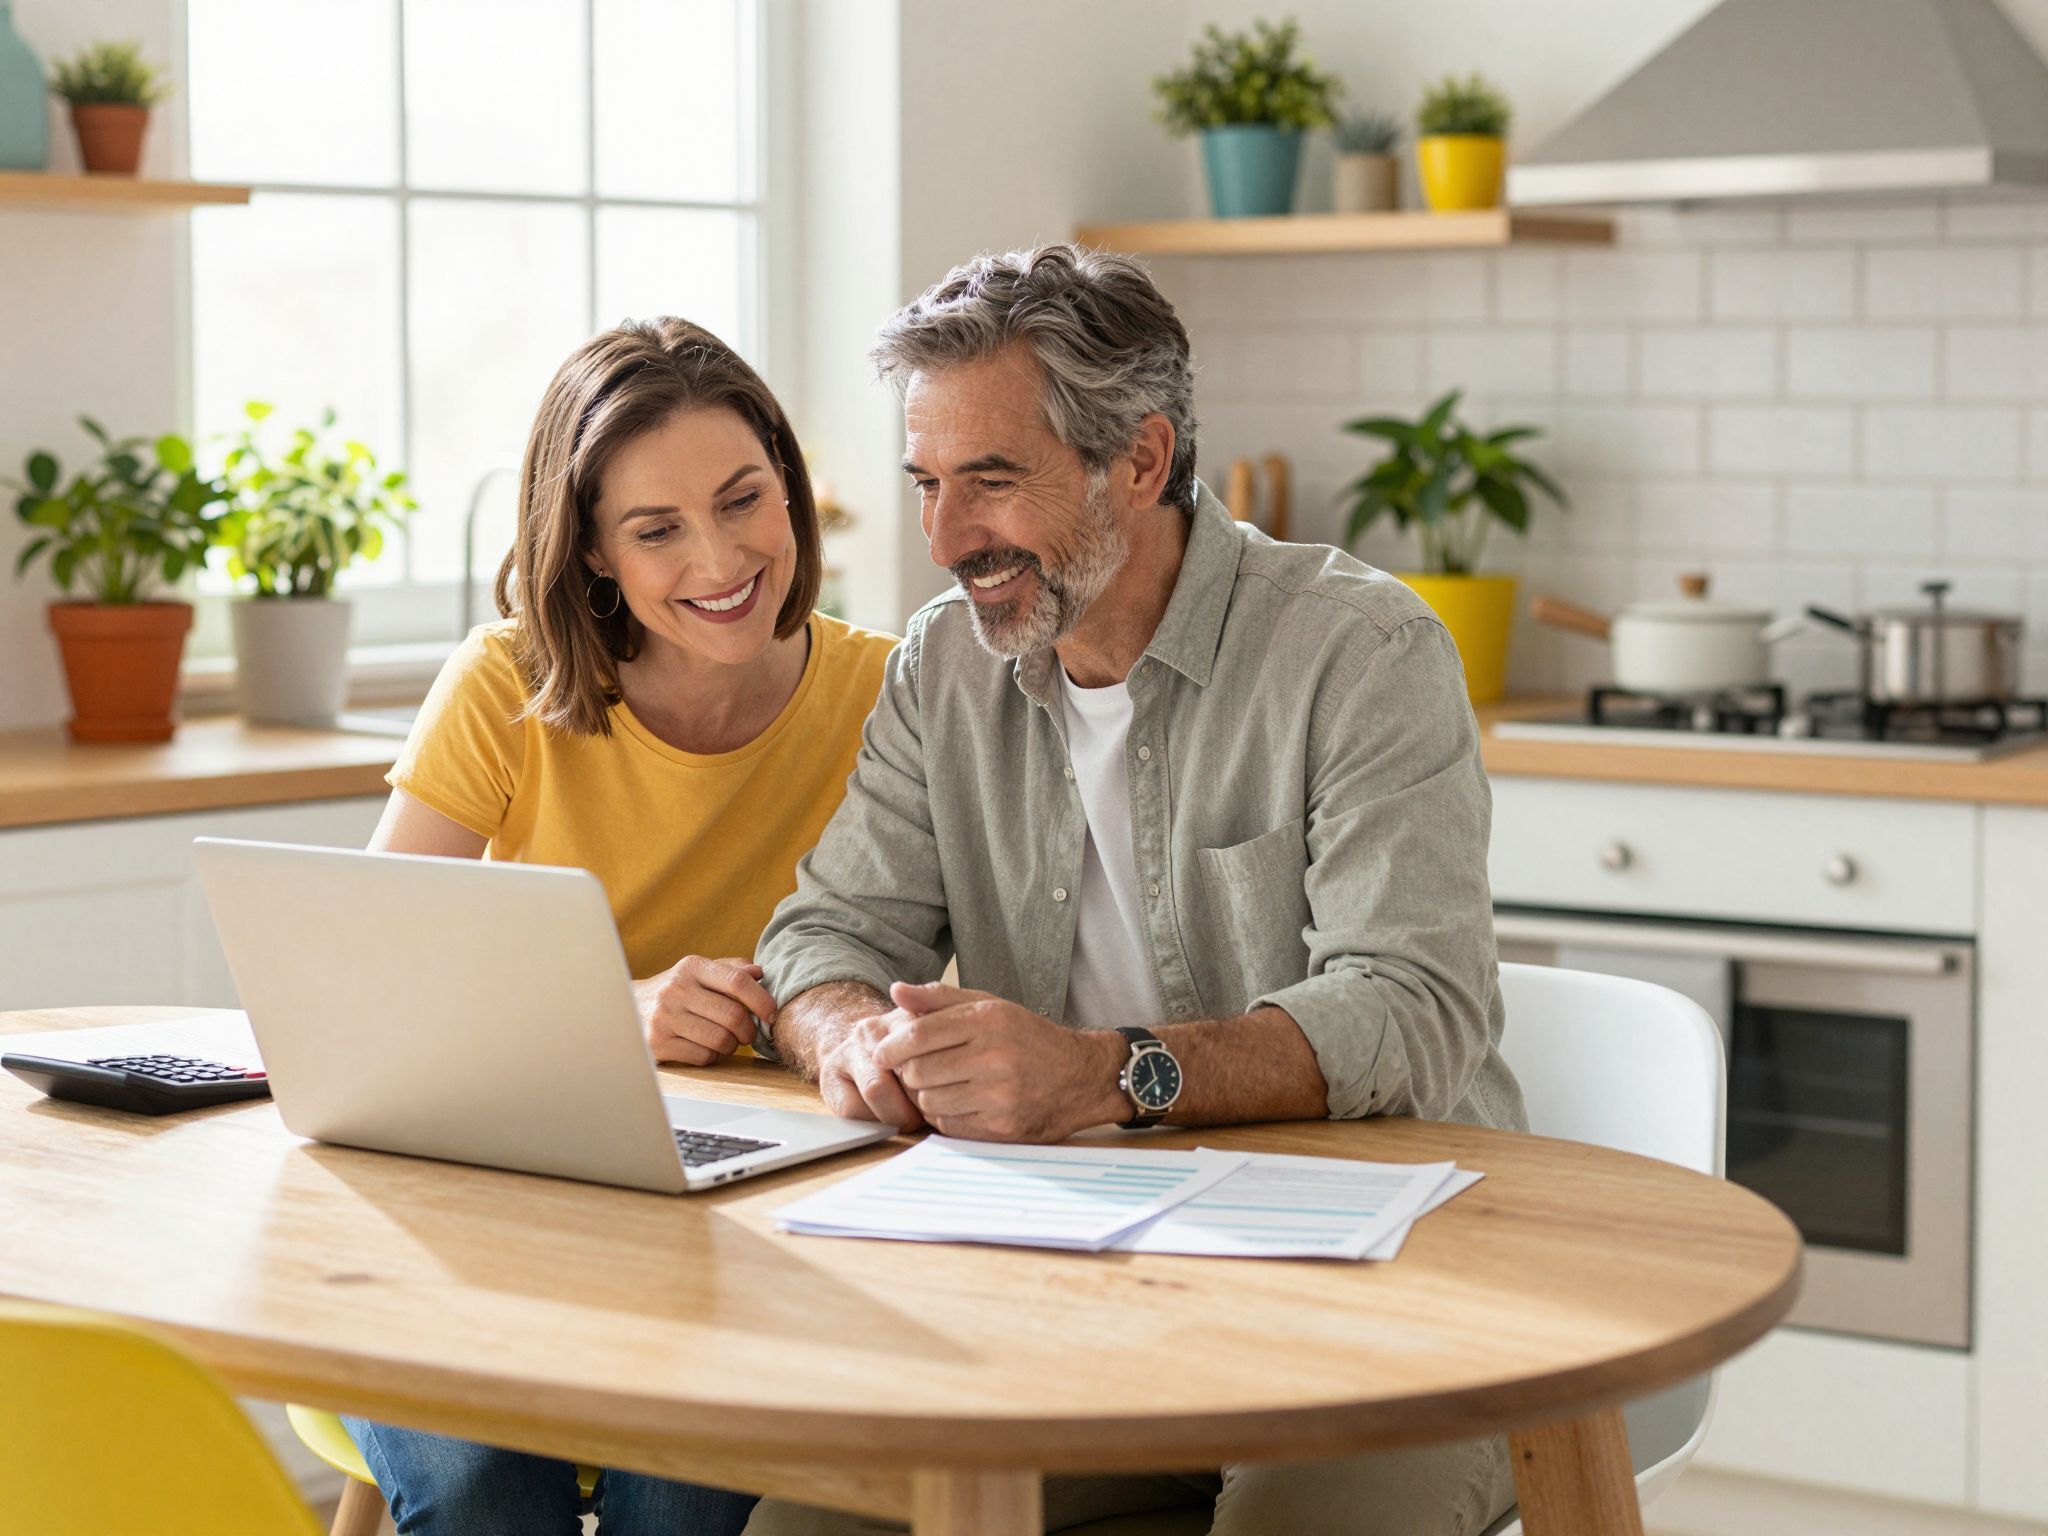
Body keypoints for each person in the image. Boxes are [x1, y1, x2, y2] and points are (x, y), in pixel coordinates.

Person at [743, 246, 1527, 1536]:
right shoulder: (942, 669)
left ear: (1142, 461)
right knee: (805, 1527)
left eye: (989, 483)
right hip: (1079, 1287)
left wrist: (1105, 1075)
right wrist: (848, 1041)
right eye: (926, 484)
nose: (943, 539)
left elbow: (1411, 1008)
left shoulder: (1361, 651)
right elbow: (826, 931)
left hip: (1396, 1296)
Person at [342, 316, 897, 1536]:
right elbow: (362, 990)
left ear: (791, 498)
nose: (720, 556)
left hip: (746, 1217)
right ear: (591, 554)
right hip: (491, 1192)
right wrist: (614, 1009)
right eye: (656, 530)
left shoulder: (882, 693)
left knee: (679, 1498)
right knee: (482, 1490)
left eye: (744, 500)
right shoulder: (506, 687)